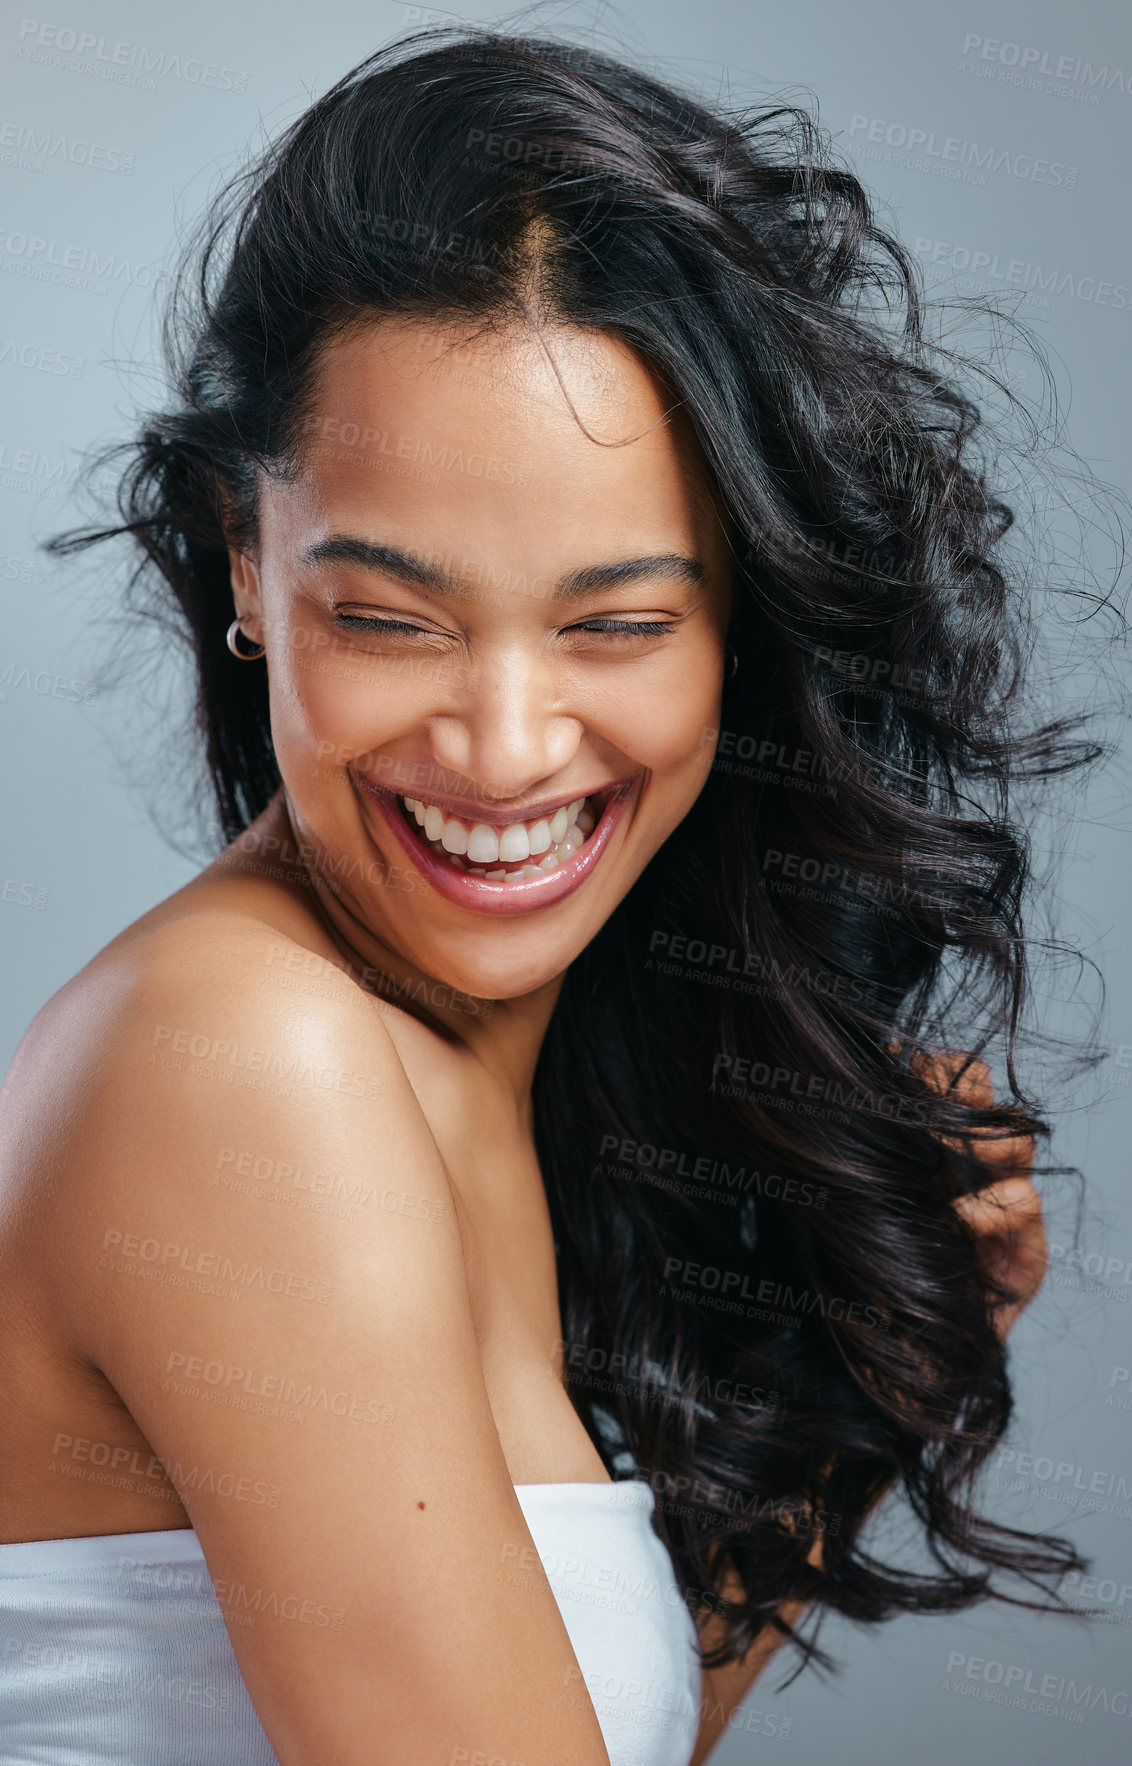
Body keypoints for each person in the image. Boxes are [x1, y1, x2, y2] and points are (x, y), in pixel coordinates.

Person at [0, 26, 1090, 1766]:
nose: (505, 750)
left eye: (618, 624)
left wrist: (859, 1405)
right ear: (244, 560)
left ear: (745, 622)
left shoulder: (490, 1066)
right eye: (391, 616)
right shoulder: (241, 1058)